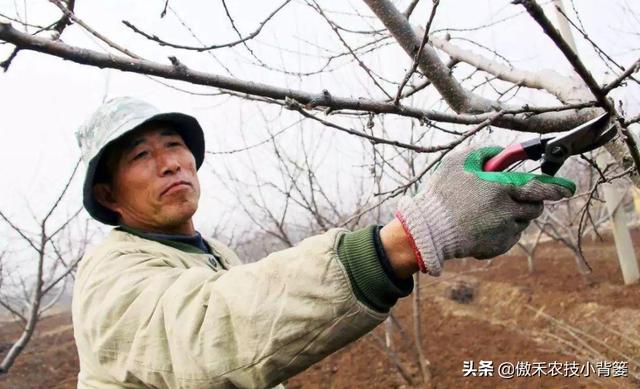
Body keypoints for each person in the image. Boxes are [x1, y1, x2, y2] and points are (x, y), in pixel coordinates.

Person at [72, 97, 575, 388]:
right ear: (107, 193)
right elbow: (209, 331)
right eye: (141, 154)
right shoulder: (110, 274)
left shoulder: (211, 253)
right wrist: (414, 236)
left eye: (175, 145)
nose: (171, 162)